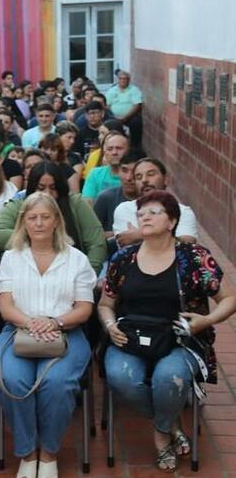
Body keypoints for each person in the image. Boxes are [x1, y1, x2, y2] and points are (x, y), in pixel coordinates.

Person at [99, 190, 236, 472]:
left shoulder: (194, 257)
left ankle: (161, 435)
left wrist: (205, 321)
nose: (144, 217)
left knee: (168, 379)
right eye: (141, 214)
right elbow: (106, 304)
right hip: (130, 337)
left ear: (172, 221)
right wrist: (110, 326)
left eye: (153, 212)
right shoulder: (124, 258)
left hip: (180, 339)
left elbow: (230, 299)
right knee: (120, 377)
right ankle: (171, 421)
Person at [0, 192, 96, 478]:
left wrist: (55, 322)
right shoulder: (11, 258)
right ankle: (27, 452)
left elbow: (84, 308)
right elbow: (5, 305)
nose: (38, 223)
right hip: (17, 331)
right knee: (10, 379)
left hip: (67, 333)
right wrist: (31, 322)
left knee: (57, 383)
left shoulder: (77, 260)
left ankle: (49, 453)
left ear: (56, 221)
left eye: (45, 217)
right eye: (32, 218)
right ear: (23, 223)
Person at [0, 162, 107, 274]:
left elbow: (97, 243)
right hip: (26, 273)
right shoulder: (18, 205)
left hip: (72, 274)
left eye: (53, 188)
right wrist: (36, 236)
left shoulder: (76, 203)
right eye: (41, 188)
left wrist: (89, 274)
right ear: (32, 188)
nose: (47, 193)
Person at [113, 158, 198, 248]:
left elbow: (188, 245)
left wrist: (140, 234)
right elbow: (126, 245)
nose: (144, 180)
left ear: (166, 179)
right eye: (138, 177)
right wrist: (167, 235)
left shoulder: (184, 212)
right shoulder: (124, 209)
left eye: (151, 174)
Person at [93, 149, 144, 239]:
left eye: (135, 172)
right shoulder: (105, 198)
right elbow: (92, 236)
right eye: (124, 170)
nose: (129, 177)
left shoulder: (154, 201)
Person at [82, 131, 129, 202]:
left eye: (119, 148)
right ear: (104, 152)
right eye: (110, 149)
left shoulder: (135, 175)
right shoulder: (95, 174)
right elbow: (87, 204)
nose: (114, 152)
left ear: (128, 151)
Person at [105, 71, 143, 148]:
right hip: (114, 116)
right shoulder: (112, 90)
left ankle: (135, 146)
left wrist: (125, 117)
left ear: (129, 80)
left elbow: (137, 105)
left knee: (137, 122)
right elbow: (107, 105)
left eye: (125, 79)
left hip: (129, 116)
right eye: (121, 78)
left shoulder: (134, 90)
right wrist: (113, 116)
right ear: (117, 80)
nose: (123, 80)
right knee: (109, 123)